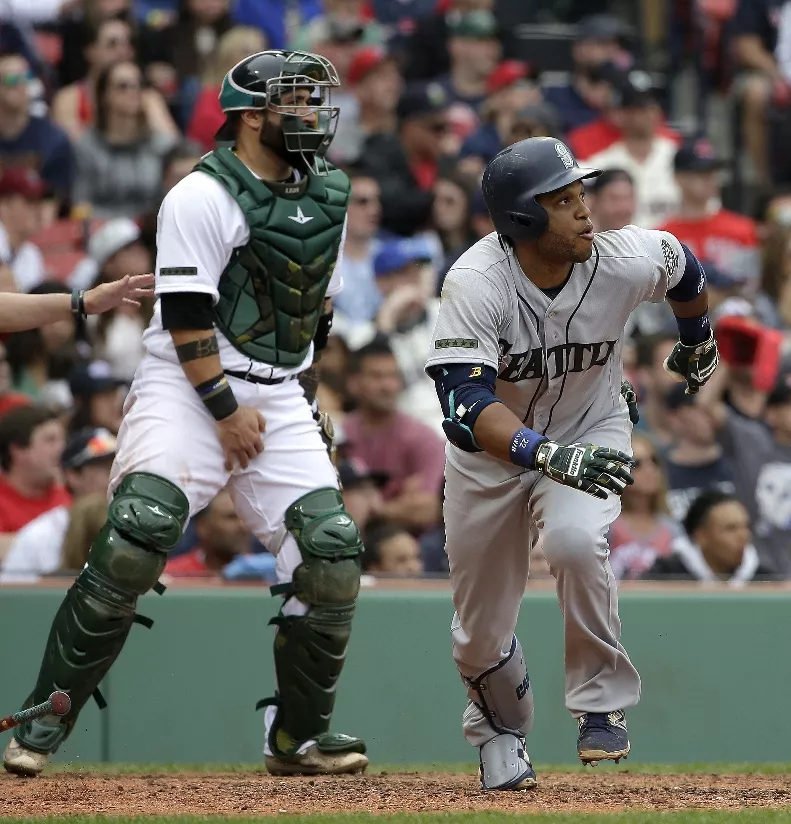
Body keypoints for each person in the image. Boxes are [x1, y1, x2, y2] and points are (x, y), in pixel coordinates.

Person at [2, 49, 368, 780]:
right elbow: (188, 318)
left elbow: (309, 313)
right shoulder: (200, 195)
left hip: (279, 388)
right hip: (188, 383)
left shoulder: (328, 191)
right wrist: (227, 412)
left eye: (313, 99)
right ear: (251, 115)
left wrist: (309, 398)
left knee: (330, 559)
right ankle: (45, 716)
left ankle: (294, 738)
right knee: (138, 534)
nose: (312, 114)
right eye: (295, 101)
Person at [424, 137, 719, 790]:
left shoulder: (621, 256)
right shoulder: (476, 281)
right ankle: (500, 733)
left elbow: (683, 268)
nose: (583, 211)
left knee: (573, 539)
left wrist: (697, 339)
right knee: (478, 635)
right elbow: (463, 403)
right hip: (491, 460)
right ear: (523, 220)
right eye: (563, 201)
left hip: (592, 426)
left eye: (580, 195)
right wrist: (542, 454)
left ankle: (599, 700)